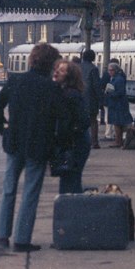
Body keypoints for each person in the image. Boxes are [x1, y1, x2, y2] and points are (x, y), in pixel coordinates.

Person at [0, 43, 65, 253]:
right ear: (50, 64)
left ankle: (2, 235)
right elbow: (60, 118)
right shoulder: (51, 88)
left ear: (32, 60)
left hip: (14, 143)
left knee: (9, 189)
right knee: (30, 191)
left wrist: (3, 129)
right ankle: (22, 240)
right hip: (39, 146)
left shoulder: (16, 81)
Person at [53, 59, 92, 194]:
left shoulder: (71, 95)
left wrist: (67, 134)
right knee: (69, 180)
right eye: (57, 68)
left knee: (70, 180)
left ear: (69, 77)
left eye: (62, 70)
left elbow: (84, 120)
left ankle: (71, 210)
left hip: (75, 145)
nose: (57, 72)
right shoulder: (64, 93)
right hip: (73, 144)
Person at [104, 61, 131, 147]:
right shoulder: (115, 78)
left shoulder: (119, 79)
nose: (109, 72)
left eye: (111, 70)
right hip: (116, 104)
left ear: (115, 70)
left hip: (118, 104)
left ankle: (118, 141)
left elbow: (120, 92)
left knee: (118, 123)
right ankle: (118, 140)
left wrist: (109, 93)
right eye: (109, 70)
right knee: (117, 123)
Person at [81, 49, 103, 150]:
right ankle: (94, 142)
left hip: (79, 98)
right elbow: (96, 86)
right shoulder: (93, 69)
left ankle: (81, 141)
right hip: (90, 99)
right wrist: (101, 99)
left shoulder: (77, 67)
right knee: (93, 121)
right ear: (93, 58)